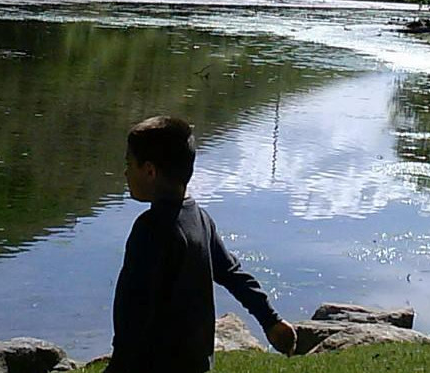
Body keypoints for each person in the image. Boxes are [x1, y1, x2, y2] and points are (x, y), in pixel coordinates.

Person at [105, 115, 296, 373]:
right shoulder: (200, 219)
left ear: (150, 171)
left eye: (129, 163)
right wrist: (270, 320)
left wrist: (119, 365)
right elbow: (233, 275)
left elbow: (134, 309)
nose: (126, 172)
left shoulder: (150, 229)